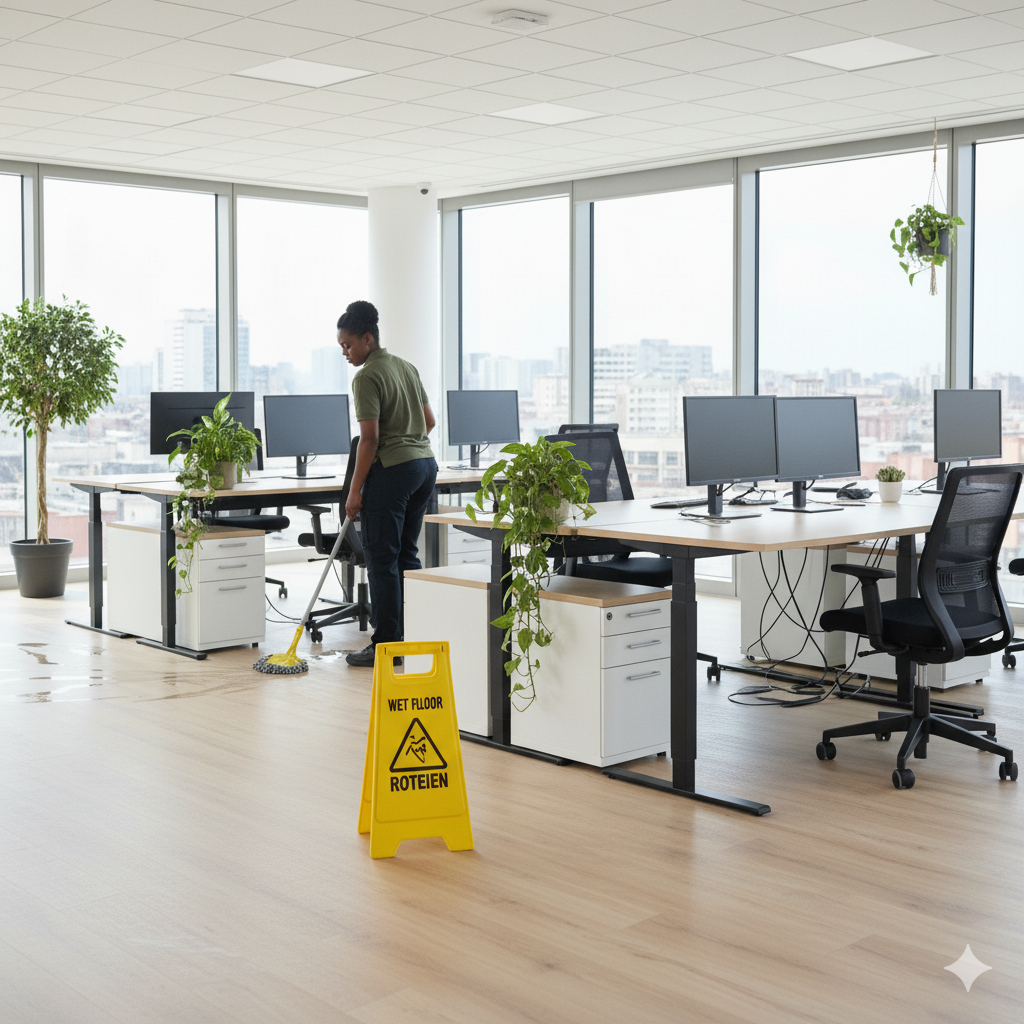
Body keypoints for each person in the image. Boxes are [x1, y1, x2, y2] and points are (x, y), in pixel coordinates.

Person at [338, 300, 438, 668]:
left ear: (368, 338)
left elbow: (369, 439)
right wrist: (409, 445)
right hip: (425, 467)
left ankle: (385, 646)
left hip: (395, 472)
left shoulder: (366, 377)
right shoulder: (406, 367)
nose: (346, 353)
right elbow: (428, 420)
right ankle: (409, 637)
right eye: (342, 347)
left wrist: (354, 490)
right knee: (406, 554)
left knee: (382, 560)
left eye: (349, 345)